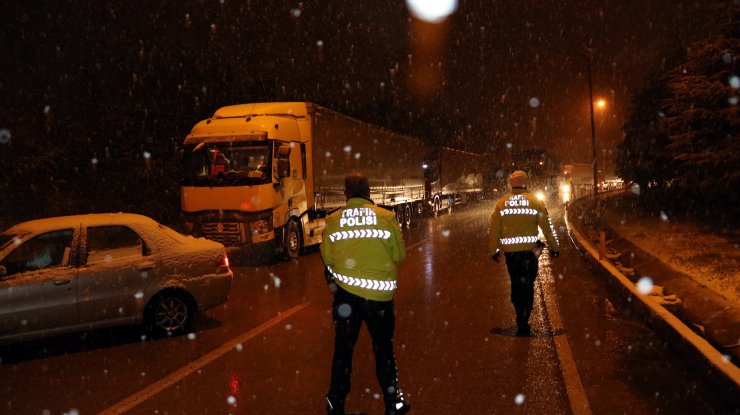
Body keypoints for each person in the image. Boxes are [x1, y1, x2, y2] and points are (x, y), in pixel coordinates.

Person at [320, 172, 411, 415]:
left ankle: (335, 404)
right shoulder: (387, 217)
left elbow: (327, 258)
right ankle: (393, 403)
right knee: (383, 349)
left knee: (343, 351)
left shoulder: (333, 220)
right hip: (380, 300)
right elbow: (399, 254)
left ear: (346, 194)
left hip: (346, 299)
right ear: (369, 193)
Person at [487, 170, 560, 336]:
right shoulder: (535, 202)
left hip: (511, 255)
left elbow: (493, 230)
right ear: (526, 183)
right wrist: (555, 248)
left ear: (511, 184)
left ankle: (519, 315)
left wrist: (493, 251)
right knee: (528, 285)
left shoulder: (502, 204)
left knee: (516, 283)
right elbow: (548, 228)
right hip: (529, 254)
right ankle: (524, 319)